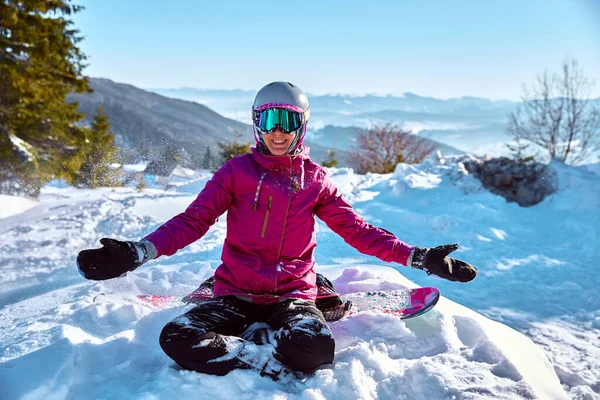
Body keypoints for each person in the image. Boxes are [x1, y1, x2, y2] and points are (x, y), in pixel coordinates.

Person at [77, 81, 477, 379]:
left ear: (301, 125)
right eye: (269, 119)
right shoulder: (235, 172)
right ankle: (258, 354)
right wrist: (137, 252)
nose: (278, 131)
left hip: (290, 296)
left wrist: (420, 258)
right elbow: (192, 221)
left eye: (287, 120)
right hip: (235, 294)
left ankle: (316, 296)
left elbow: (358, 231)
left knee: (317, 350)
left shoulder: (315, 180)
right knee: (176, 338)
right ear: (257, 124)